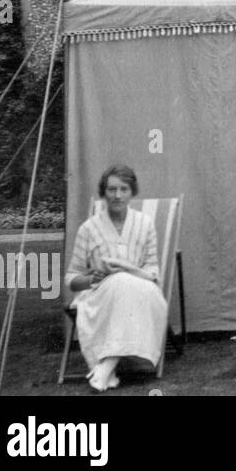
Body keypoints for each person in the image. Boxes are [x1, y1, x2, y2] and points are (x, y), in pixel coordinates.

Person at [66, 165, 169, 392]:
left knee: (128, 282)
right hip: (100, 295)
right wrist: (92, 277)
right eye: (112, 189)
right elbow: (71, 278)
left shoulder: (145, 224)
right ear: (104, 193)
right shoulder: (88, 228)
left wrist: (129, 270)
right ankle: (106, 368)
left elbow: (152, 271)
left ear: (132, 192)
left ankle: (105, 367)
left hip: (142, 293)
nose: (117, 195)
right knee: (120, 283)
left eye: (123, 189)